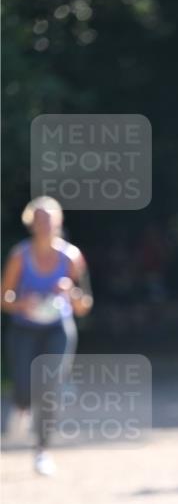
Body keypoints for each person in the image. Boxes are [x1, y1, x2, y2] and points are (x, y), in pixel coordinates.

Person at [1, 196, 93, 475]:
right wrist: (21, 304)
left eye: (50, 220)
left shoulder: (72, 257)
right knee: (23, 385)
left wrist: (71, 293)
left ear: (59, 222)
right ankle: (21, 405)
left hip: (58, 329)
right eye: (40, 220)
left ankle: (42, 450)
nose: (45, 225)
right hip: (24, 329)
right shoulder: (19, 256)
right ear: (31, 224)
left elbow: (84, 305)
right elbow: (4, 298)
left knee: (50, 388)